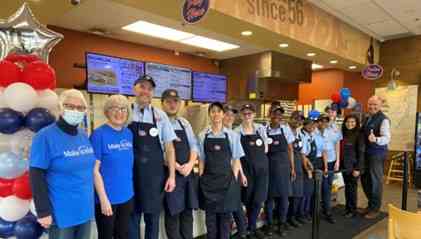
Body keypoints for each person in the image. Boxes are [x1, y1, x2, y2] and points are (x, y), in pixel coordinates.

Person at [29, 89, 96, 239]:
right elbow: (36, 175)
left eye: (80, 108)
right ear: (60, 107)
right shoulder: (45, 136)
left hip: (84, 210)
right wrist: (43, 211)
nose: (75, 111)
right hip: (61, 213)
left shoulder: (83, 136)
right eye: (69, 106)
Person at [128, 75, 177, 239]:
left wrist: (171, 176)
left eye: (149, 89)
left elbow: (169, 148)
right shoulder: (125, 112)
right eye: (142, 87)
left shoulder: (160, 116)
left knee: (152, 221)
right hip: (131, 176)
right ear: (134, 88)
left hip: (154, 178)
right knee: (132, 220)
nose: (146, 91)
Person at [198, 102, 247, 239]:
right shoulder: (203, 135)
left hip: (227, 183)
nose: (216, 114)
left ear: (222, 114)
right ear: (209, 115)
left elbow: (236, 159)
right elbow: (202, 159)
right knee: (211, 221)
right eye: (212, 111)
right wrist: (201, 179)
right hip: (209, 184)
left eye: (218, 111)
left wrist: (234, 180)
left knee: (225, 220)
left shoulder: (232, 136)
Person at [90, 95, 134, 239]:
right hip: (107, 200)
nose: (119, 112)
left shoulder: (128, 134)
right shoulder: (98, 134)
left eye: (123, 109)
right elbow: (94, 170)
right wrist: (103, 199)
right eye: (114, 108)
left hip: (127, 196)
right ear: (107, 112)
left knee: (123, 235)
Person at [161, 89, 199, 239]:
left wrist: (190, 164)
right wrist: (176, 166)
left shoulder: (184, 123)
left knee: (187, 214)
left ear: (180, 104)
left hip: (188, 175)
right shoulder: (158, 124)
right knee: (173, 216)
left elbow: (194, 145)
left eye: (175, 101)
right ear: (162, 103)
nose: (172, 105)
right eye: (168, 101)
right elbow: (160, 150)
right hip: (170, 177)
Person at [235, 104, 269, 239]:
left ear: (254, 115)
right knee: (248, 199)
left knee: (258, 200)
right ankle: (248, 229)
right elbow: (236, 154)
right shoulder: (237, 132)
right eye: (244, 113)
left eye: (250, 113)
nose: (247, 116)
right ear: (241, 115)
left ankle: (252, 228)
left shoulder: (260, 129)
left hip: (262, 170)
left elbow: (265, 148)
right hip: (247, 171)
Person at [264, 104, 295, 237]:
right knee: (269, 200)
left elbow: (290, 149)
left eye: (280, 114)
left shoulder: (286, 129)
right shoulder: (263, 130)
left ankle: (282, 224)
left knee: (284, 199)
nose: (278, 116)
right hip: (269, 168)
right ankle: (270, 224)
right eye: (275, 113)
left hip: (283, 168)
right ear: (270, 115)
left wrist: (292, 168)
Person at [360, 96, 390, 219]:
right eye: (370, 104)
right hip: (367, 153)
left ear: (380, 105)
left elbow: (387, 138)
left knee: (375, 182)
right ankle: (371, 204)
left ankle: (375, 208)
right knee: (365, 180)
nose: (372, 107)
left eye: (375, 105)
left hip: (377, 154)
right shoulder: (368, 117)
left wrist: (376, 139)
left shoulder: (384, 120)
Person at [222, 104, 248, 239]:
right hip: (223, 174)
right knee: (234, 204)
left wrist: (241, 175)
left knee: (234, 204)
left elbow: (237, 158)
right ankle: (241, 231)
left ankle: (241, 231)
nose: (230, 117)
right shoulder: (217, 133)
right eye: (227, 114)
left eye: (232, 115)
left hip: (232, 175)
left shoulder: (234, 134)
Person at [315, 114, 342, 224]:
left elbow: (337, 144)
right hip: (316, 162)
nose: (323, 123)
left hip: (330, 161)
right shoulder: (313, 131)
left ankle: (327, 212)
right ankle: (313, 211)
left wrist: (338, 160)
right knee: (315, 188)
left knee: (327, 188)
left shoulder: (333, 130)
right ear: (318, 121)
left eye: (326, 121)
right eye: (321, 121)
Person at [300, 116, 326, 223]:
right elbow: (303, 155)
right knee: (304, 193)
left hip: (313, 165)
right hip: (305, 167)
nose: (312, 126)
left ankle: (307, 212)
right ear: (304, 125)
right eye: (309, 124)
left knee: (310, 192)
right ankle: (301, 214)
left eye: (313, 124)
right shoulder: (302, 136)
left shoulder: (313, 136)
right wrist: (308, 170)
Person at [340, 114, 365, 218]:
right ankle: (348, 208)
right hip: (344, 166)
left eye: (352, 122)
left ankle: (352, 210)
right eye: (348, 122)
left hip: (354, 167)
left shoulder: (359, 135)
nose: (350, 124)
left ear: (356, 123)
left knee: (352, 189)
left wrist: (358, 168)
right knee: (347, 188)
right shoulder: (343, 133)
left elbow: (361, 153)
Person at [287, 111, 306, 227]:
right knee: (290, 194)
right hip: (289, 166)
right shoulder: (285, 130)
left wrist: (306, 163)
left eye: (300, 119)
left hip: (299, 165)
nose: (298, 121)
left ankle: (294, 216)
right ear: (291, 118)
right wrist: (292, 168)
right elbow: (289, 151)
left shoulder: (299, 133)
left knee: (298, 193)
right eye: (296, 118)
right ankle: (288, 218)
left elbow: (301, 151)